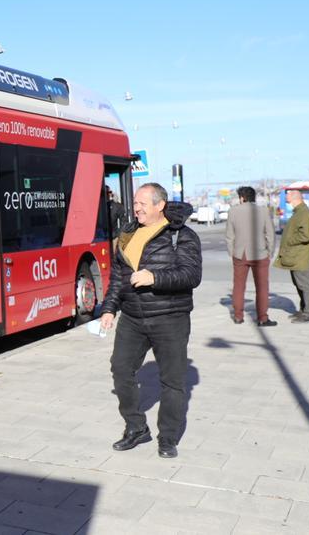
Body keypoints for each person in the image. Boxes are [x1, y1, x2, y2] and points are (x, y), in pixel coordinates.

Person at [97, 183, 202, 459]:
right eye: (135, 202)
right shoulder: (128, 234)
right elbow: (119, 277)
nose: (137, 208)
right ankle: (136, 427)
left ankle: (167, 437)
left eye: (143, 203)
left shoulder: (182, 236)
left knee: (172, 381)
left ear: (160, 205)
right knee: (120, 368)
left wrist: (154, 277)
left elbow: (191, 275)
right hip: (132, 317)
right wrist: (109, 309)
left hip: (170, 318)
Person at [225, 186, 275, 326]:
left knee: (239, 286)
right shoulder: (263, 211)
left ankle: (238, 316)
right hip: (260, 254)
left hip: (240, 254)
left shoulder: (233, 211)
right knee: (262, 287)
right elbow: (270, 234)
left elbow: (230, 235)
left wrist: (232, 252)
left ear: (242, 197)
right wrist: (269, 252)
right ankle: (262, 318)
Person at [275, 188, 309, 323]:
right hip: (295, 255)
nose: (285, 197)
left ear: (295, 197)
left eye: (288, 195)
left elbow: (306, 235)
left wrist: (289, 241)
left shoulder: (304, 213)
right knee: (299, 284)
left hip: (299, 256)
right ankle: (303, 310)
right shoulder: (298, 212)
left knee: (304, 284)